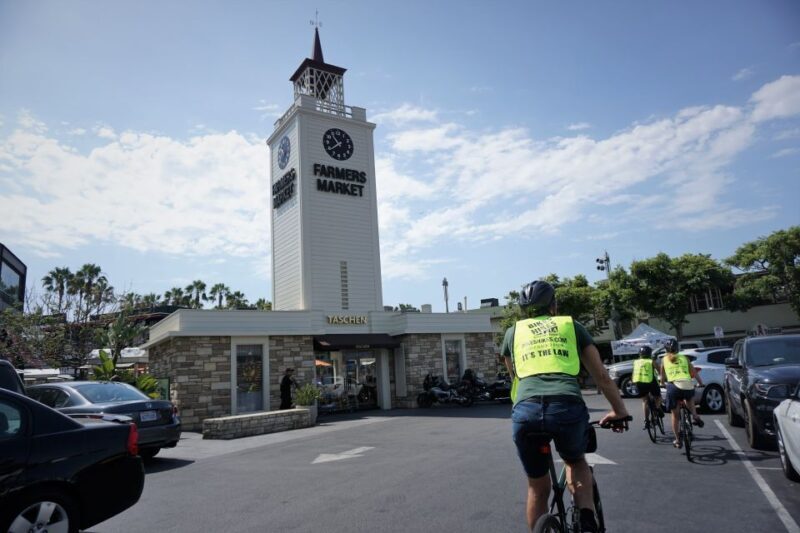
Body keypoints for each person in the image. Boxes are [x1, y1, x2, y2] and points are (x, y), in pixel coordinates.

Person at [502, 280, 630, 533]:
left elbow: (514, 375)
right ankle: (586, 520)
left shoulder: (512, 332)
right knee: (575, 462)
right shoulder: (572, 326)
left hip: (526, 412)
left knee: (537, 487)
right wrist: (619, 411)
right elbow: (602, 377)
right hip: (566, 407)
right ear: (554, 304)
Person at [659, 339, 704, 448]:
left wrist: (662, 384)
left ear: (666, 349)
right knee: (689, 398)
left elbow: (662, 377)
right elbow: (693, 373)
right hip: (687, 385)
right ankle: (695, 416)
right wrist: (701, 383)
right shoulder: (685, 358)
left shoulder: (664, 360)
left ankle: (678, 440)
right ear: (677, 348)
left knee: (675, 415)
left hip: (673, 387)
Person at [632, 345, 663, 430]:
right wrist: (664, 380)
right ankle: (657, 409)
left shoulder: (636, 362)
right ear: (649, 354)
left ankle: (646, 421)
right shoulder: (651, 361)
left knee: (645, 400)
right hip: (650, 382)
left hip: (639, 382)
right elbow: (660, 371)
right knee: (658, 397)